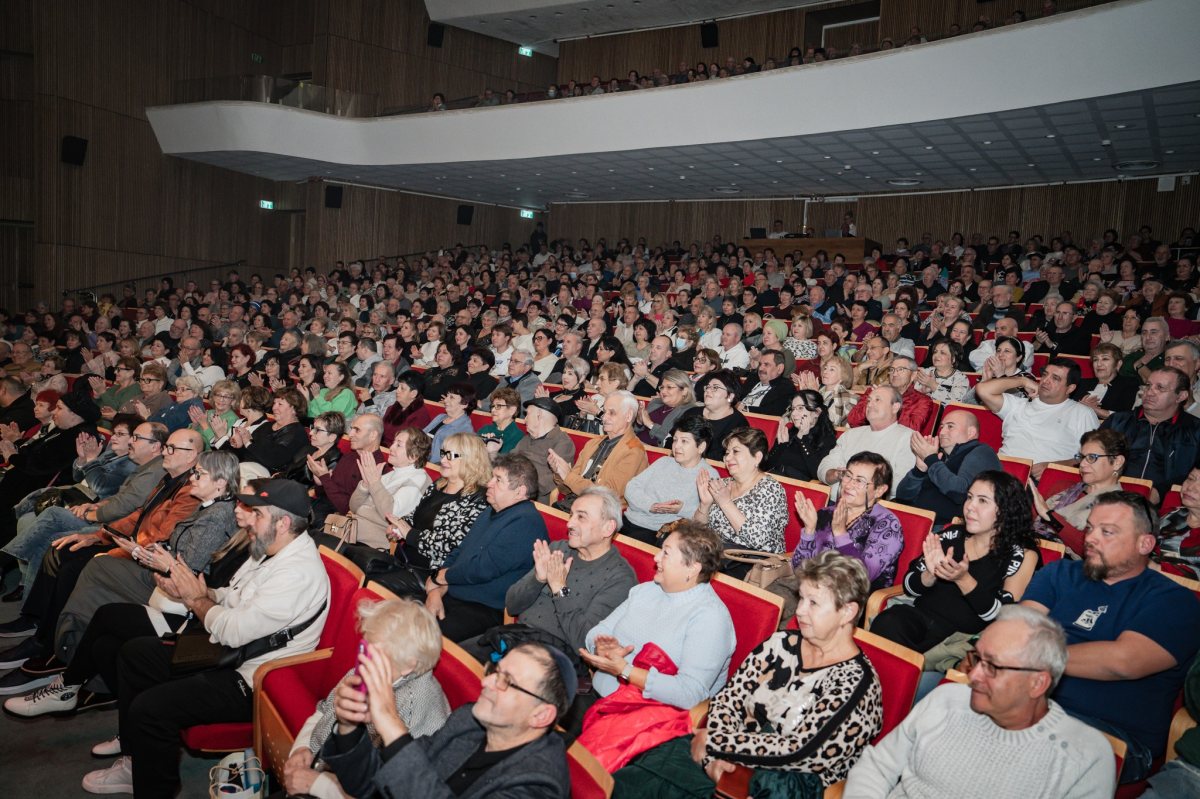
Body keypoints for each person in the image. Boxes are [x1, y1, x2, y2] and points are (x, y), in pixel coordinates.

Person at [62, 478, 329, 797]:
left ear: (283, 522)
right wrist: (203, 592)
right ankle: (136, 760)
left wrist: (195, 600)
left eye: (257, 513)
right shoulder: (271, 547)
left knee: (150, 708)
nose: (246, 518)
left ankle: (154, 788)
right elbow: (232, 597)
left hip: (252, 680)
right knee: (132, 653)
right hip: (233, 652)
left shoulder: (296, 572)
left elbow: (232, 631)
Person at [614, 551, 883, 797]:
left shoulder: (857, 684)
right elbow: (729, 699)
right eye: (801, 598)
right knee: (646, 764)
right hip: (726, 756)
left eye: (813, 603)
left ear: (848, 611)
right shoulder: (780, 644)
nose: (800, 611)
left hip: (784, 782)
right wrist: (714, 759)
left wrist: (716, 743)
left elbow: (800, 751)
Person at [844, 605, 1116, 799]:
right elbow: (878, 766)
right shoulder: (946, 699)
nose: (972, 675)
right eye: (976, 659)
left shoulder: (1084, 757)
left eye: (993, 667)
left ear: (1037, 683)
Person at [1022, 492, 1200, 783]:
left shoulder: (1174, 600)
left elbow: (1122, 660)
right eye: (1090, 527)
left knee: (1022, 754)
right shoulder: (1059, 573)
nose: (1090, 538)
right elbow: (1019, 630)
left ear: (1145, 544)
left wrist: (1032, 654)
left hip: (1111, 734)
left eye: (1108, 532)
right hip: (1029, 704)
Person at [319, 641, 574, 799]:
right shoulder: (467, 721)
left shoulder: (541, 785)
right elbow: (371, 784)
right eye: (494, 672)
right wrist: (349, 726)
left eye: (506, 681)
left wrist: (390, 722)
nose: (485, 683)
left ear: (541, 715)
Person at [579, 521, 735, 764]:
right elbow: (599, 630)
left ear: (692, 568)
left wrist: (626, 670)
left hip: (649, 723)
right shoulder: (646, 591)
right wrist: (601, 646)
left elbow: (690, 693)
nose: (656, 557)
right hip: (602, 698)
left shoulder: (710, 618)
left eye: (666, 552)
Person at [280, 598, 451, 799]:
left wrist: (317, 784)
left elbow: (383, 791)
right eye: (364, 647)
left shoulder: (417, 709)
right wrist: (303, 747)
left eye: (373, 653)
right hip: (321, 768)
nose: (362, 658)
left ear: (408, 665)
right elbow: (324, 709)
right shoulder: (370, 672)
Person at [873, 471, 1038, 676]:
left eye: (982, 501)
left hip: (961, 638)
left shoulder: (1021, 554)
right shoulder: (952, 534)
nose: (970, 506)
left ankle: (901, 680)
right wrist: (929, 575)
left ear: (1005, 510)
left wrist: (964, 580)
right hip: (919, 620)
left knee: (901, 662)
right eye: (969, 497)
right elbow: (908, 585)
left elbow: (1004, 615)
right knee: (888, 622)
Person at [461, 487, 638, 674]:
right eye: (571, 515)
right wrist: (538, 579)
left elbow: (584, 642)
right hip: (517, 637)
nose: (569, 523)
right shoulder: (559, 548)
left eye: (581, 517)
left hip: (556, 659)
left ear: (608, 528)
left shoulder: (620, 578)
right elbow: (511, 605)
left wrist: (559, 588)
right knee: (456, 661)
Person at [1, 417, 162, 601]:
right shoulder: (113, 455)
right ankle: (25, 597)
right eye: (116, 433)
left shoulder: (131, 464)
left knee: (47, 526)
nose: (115, 438)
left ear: (155, 446)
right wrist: (82, 459)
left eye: (122, 434)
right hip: (86, 501)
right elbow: (78, 476)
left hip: (98, 513)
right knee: (27, 516)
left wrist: (92, 462)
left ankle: (8, 562)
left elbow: (102, 487)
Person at [423, 454, 548, 642]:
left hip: (484, 608)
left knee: (424, 638)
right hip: (454, 592)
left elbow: (482, 568)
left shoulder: (526, 522)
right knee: (402, 619)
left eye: (498, 480)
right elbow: (459, 551)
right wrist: (437, 590)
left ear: (520, 491)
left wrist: (440, 577)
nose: (489, 483)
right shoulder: (491, 510)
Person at [793, 452, 901, 590]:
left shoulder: (887, 525)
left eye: (860, 481)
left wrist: (840, 534)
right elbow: (799, 568)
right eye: (848, 476)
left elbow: (862, 578)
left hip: (849, 600)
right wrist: (809, 530)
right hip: (811, 588)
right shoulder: (826, 513)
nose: (849, 485)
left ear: (879, 490)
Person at [975, 357, 1098, 476]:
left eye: (1055, 378)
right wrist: (1023, 380)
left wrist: (1054, 467)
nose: (1045, 380)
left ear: (1070, 388)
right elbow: (982, 389)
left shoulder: (1082, 413)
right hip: (999, 472)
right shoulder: (1019, 404)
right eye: (1045, 374)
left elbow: (1093, 456)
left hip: (1040, 480)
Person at [393, 431, 491, 571]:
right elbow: (416, 514)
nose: (443, 460)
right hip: (404, 558)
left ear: (470, 459)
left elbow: (449, 545)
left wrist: (409, 534)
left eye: (450, 456)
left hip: (430, 572)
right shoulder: (439, 484)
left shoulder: (478, 499)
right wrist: (399, 526)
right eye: (443, 453)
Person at [1102, 367, 1200, 502]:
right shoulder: (1118, 421)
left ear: (1181, 396)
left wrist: (1161, 492)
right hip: (1111, 494)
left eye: (1160, 388)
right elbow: (1094, 458)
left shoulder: (1195, 430)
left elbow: (1195, 476)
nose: (1150, 392)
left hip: (1167, 502)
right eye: (1148, 386)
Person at [895, 409, 1002, 527]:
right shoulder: (939, 456)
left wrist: (931, 459)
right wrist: (919, 470)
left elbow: (960, 493)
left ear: (971, 432)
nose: (942, 432)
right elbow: (902, 496)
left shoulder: (981, 452)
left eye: (950, 426)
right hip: (912, 518)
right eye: (942, 427)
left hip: (943, 527)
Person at [623, 415, 720, 544]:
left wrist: (681, 509)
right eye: (675, 440)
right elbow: (631, 487)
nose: (676, 446)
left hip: (657, 533)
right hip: (628, 519)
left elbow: (707, 519)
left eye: (684, 441)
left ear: (701, 447)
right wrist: (650, 506)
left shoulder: (709, 475)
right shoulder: (664, 461)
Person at [1032, 429, 1129, 553]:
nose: (1082, 464)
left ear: (1117, 462)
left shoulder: (1120, 507)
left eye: (1091, 457)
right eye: (1082, 457)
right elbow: (1028, 520)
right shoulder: (1063, 487)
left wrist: (1050, 517)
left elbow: (1089, 549)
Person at [695, 427, 788, 556]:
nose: (728, 458)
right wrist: (704, 505)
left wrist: (726, 503)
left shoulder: (771, 489)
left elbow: (756, 540)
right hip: (717, 554)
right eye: (727, 453)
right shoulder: (724, 484)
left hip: (753, 562)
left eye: (736, 452)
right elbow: (697, 530)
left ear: (757, 457)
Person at [550, 391, 648, 506]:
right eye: (605, 411)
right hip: (573, 503)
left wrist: (568, 476)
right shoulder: (593, 443)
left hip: (600, 513)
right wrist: (559, 472)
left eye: (612, 413)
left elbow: (609, 496)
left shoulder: (634, 451)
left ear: (628, 416)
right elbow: (567, 488)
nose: (604, 417)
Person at [344, 427, 432, 552]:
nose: (391, 447)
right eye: (394, 443)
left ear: (413, 456)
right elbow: (353, 507)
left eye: (399, 445)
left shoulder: (417, 481)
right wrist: (365, 485)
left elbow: (390, 514)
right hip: (351, 531)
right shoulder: (392, 474)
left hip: (369, 545)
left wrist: (374, 482)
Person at [819, 386, 916, 497]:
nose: (869, 404)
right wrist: (837, 474)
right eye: (869, 400)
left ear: (895, 407)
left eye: (877, 400)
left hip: (875, 509)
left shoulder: (908, 438)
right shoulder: (851, 434)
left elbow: (902, 484)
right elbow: (825, 466)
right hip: (834, 502)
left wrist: (860, 483)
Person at [845, 354, 936, 433]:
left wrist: (888, 404)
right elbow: (853, 421)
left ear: (913, 375)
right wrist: (871, 401)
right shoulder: (874, 392)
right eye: (892, 370)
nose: (895, 374)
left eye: (900, 370)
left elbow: (910, 430)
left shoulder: (922, 401)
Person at [513, 398, 576, 504]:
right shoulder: (526, 439)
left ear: (539, 415)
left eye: (527, 414)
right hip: (513, 489)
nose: (524, 420)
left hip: (533, 499)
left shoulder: (563, 442)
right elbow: (508, 462)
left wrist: (517, 484)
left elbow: (554, 479)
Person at [766, 390, 837, 481]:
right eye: (793, 409)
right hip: (772, 482)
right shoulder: (789, 433)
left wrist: (803, 439)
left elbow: (817, 474)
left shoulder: (827, 439)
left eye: (800, 408)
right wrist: (781, 446)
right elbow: (766, 466)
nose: (794, 414)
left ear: (817, 412)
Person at [680, 371, 748, 461]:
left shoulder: (738, 424)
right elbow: (672, 440)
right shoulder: (691, 413)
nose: (708, 390)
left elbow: (725, 456)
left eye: (715, 387)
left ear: (730, 396)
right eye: (708, 387)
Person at [1072, 342, 1140, 419]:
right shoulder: (1082, 383)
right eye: (1095, 359)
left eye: (1105, 359)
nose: (1099, 364)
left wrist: (1092, 409)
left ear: (1118, 364)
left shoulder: (1129, 383)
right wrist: (1079, 407)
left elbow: (1123, 416)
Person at [634, 369, 695, 447]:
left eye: (669, 387)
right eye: (662, 387)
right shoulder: (655, 402)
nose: (663, 391)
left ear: (684, 391)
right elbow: (636, 431)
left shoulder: (689, 411)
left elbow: (671, 439)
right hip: (635, 444)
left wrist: (650, 424)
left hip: (654, 452)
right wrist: (639, 422)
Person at [423, 382, 477, 465]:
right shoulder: (441, 417)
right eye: (447, 396)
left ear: (464, 404)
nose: (445, 400)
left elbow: (455, 458)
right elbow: (422, 435)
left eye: (451, 397)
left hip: (435, 466)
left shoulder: (465, 430)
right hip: (420, 458)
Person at [737, 350, 795, 415]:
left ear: (779, 368)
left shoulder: (785, 387)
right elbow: (737, 396)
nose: (760, 368)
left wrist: (746, 409)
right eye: (760, 364)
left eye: (766, 364)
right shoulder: (753, 378)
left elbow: (774, 412)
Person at [913, 337, 969, 403]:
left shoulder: (960, 378)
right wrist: (921, 392)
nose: (936, 355)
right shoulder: (926, 372)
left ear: (953, 359)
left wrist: (933, 385)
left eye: (942, 353)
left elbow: (956, 404)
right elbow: (914, 400)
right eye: (935, 352)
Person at [478, 386, 525, 455]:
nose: (493, 410)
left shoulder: (518, 436)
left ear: (512, 410)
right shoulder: (486, 429)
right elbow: (469, 451)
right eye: (492, 406)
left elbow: (505, 462)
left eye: (498, 406)